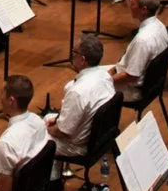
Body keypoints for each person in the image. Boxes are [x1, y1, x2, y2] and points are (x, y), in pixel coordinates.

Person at [49, 33, 118, 176]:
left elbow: (63, 131)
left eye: (74, 52)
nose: (72, 55)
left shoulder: (77, 92)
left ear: (83, 60)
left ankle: (46, 186)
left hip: (78, 146)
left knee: (33, 138)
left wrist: (46, 129)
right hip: (100, 138)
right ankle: (54, 179)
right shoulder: (106, 76)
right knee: (49, 118)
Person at [0, 75, 50, 191]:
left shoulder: (7, 142)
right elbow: (9, 153)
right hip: (34, 188)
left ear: (11, 100)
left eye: (2, 94)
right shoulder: (38, 121)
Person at [113, 0, 168, 96]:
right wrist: (111, 71)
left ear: (143, 9)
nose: (130, 6)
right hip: (148, 81)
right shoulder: (161, 26)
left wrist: (105, 81)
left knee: (82, 89)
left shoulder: (142, 40)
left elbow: (131, 76)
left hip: (133, 89)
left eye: (133, 4)